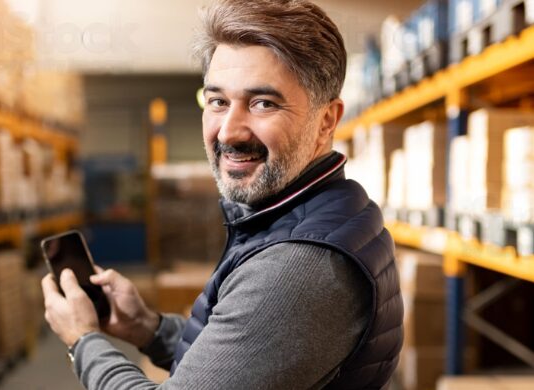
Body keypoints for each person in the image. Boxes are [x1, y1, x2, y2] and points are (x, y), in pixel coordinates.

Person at [42, 0, 403, 388]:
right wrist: (148, 327)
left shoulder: (299, 265)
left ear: (326, 120)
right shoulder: (324, 210)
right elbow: (248, 355)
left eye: (263, 103)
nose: (229, 131)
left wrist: (83, 340)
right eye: (218, 102)